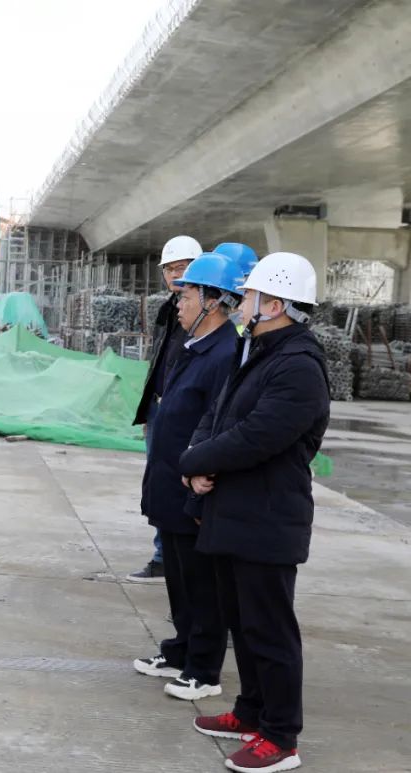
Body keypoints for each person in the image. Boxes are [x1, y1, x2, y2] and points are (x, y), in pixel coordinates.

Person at [182, 252, 329, 773]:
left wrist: (196, 461)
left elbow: (256, 437)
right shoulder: (258, 351)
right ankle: (250, 712)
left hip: (267, 519)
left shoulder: (299, 366)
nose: (242, 303)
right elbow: (218, 416)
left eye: (249, 295)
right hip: (234, 512)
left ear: (275, 303)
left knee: (269, 630)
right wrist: (195, 462)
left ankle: (281, 736)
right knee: (243, 625)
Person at [131, 253, 241, 700]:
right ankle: (181, 649)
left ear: (212, 302)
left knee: (202, 584)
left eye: (187, 296)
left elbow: (219, 427)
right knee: (178, 578)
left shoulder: (225, 354)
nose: (178, 304)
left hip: (194, 490)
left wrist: (198, 484)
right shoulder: (194, 345)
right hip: (171, 484)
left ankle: (204, 669)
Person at [128, 234, 203, 583]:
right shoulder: (167, 310)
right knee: (160, 481)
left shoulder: (206, 314)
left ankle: (182, 556)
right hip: (161, 409)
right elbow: (159, 361)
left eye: (182, 267)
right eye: (169, 269)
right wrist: (150, 408)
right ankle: (163, 555)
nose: (175, 274)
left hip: (188, 414)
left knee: (184, 482)